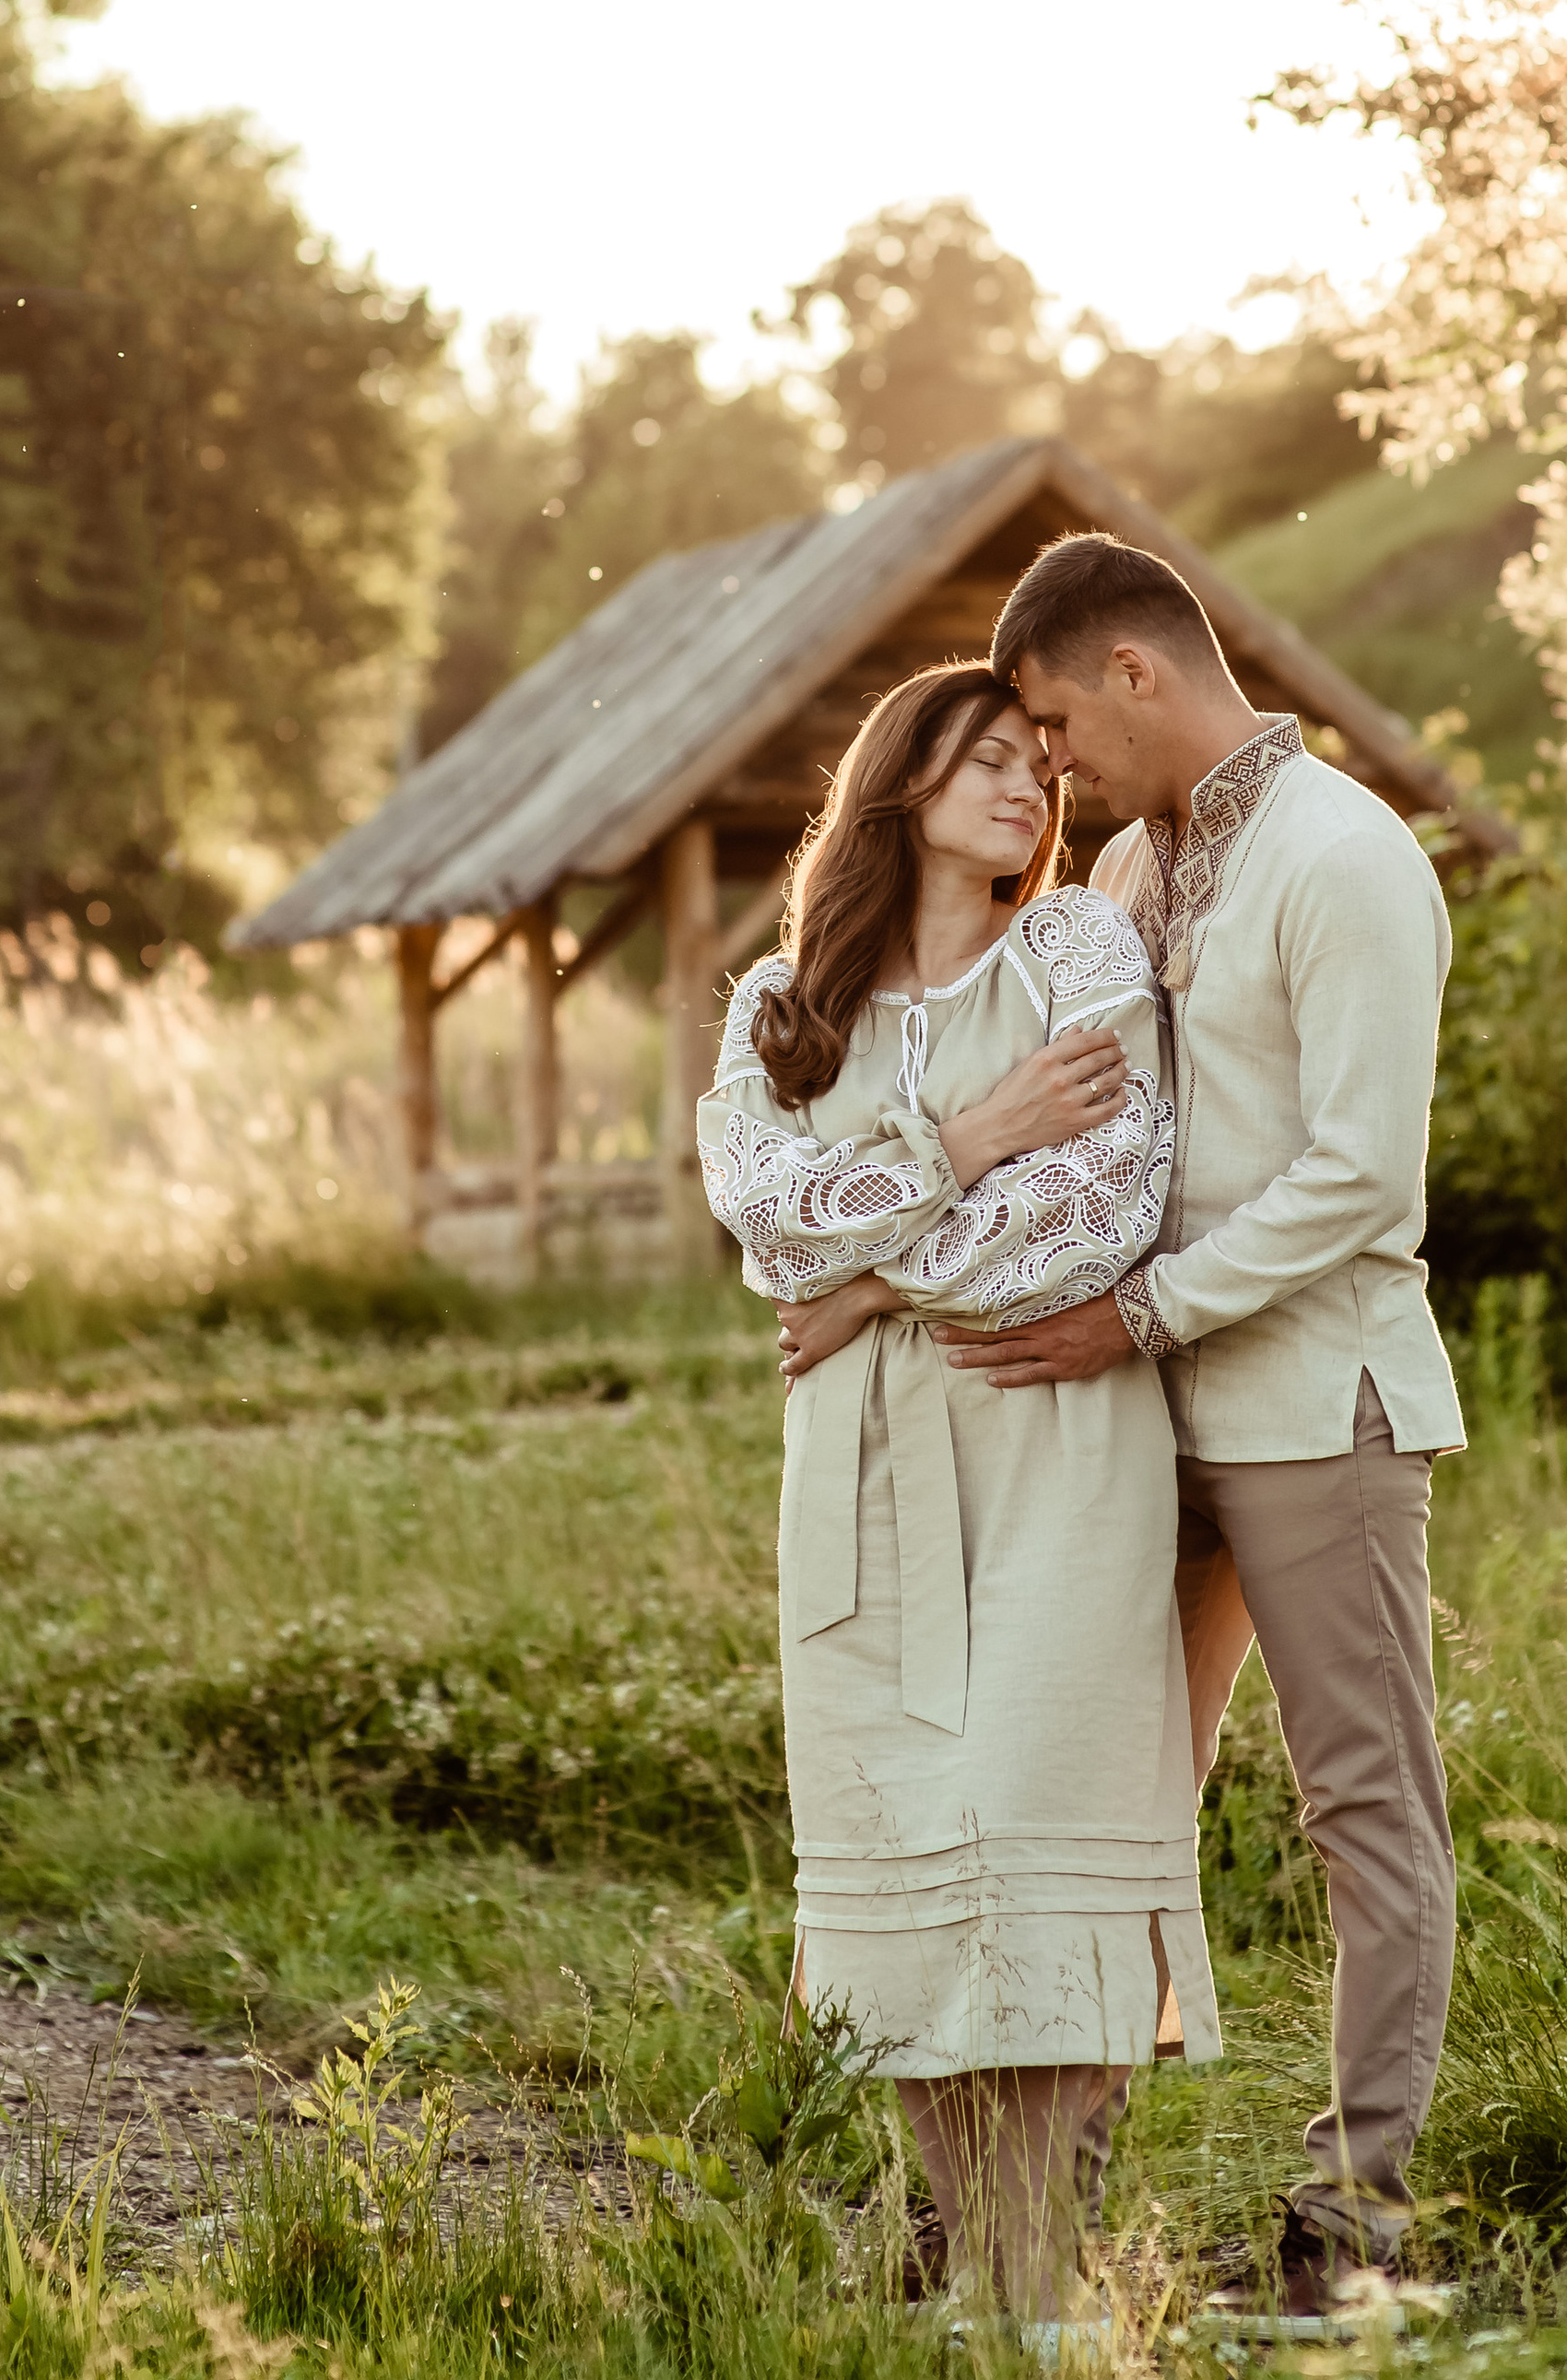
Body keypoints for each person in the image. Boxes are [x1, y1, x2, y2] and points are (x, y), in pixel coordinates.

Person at [934, 532, 1465, 2324]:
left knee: (1361, 1808)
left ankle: (1352, 2217)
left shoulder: (1345, 857)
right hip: (1139, 1420)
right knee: (1096, 1796)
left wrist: (1136, 1313)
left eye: (1058, 723)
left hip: (1316, 1405)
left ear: (1137, 671)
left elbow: (1359, 1179)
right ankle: (1037, 2210)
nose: (1052, 768)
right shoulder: (1138, 869)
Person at [699, 660, 1219, 2338]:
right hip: (858, 1483)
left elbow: (1103, 1207)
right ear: (901, 781)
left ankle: (1040, 2278)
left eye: (1035, 760)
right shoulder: (781, 1005)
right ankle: (988, 2272)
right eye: (984, 756)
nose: (1024, 783)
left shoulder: (1076, 950)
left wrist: (873, 1279)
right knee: (904, 1855)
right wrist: (966, 1131)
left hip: (1057, 1448)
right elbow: (773, 1235)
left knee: (1039, 1842)